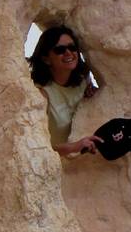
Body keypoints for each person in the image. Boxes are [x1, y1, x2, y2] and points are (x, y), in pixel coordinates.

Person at [28, 25, 102, 157]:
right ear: (46, 59)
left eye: (72, 47)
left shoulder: (84, 78)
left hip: (83, 156)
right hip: (53, 160)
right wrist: (75, 146)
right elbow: (36, 146)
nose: (68, 53)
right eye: (60, 50)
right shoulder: (41, 94)